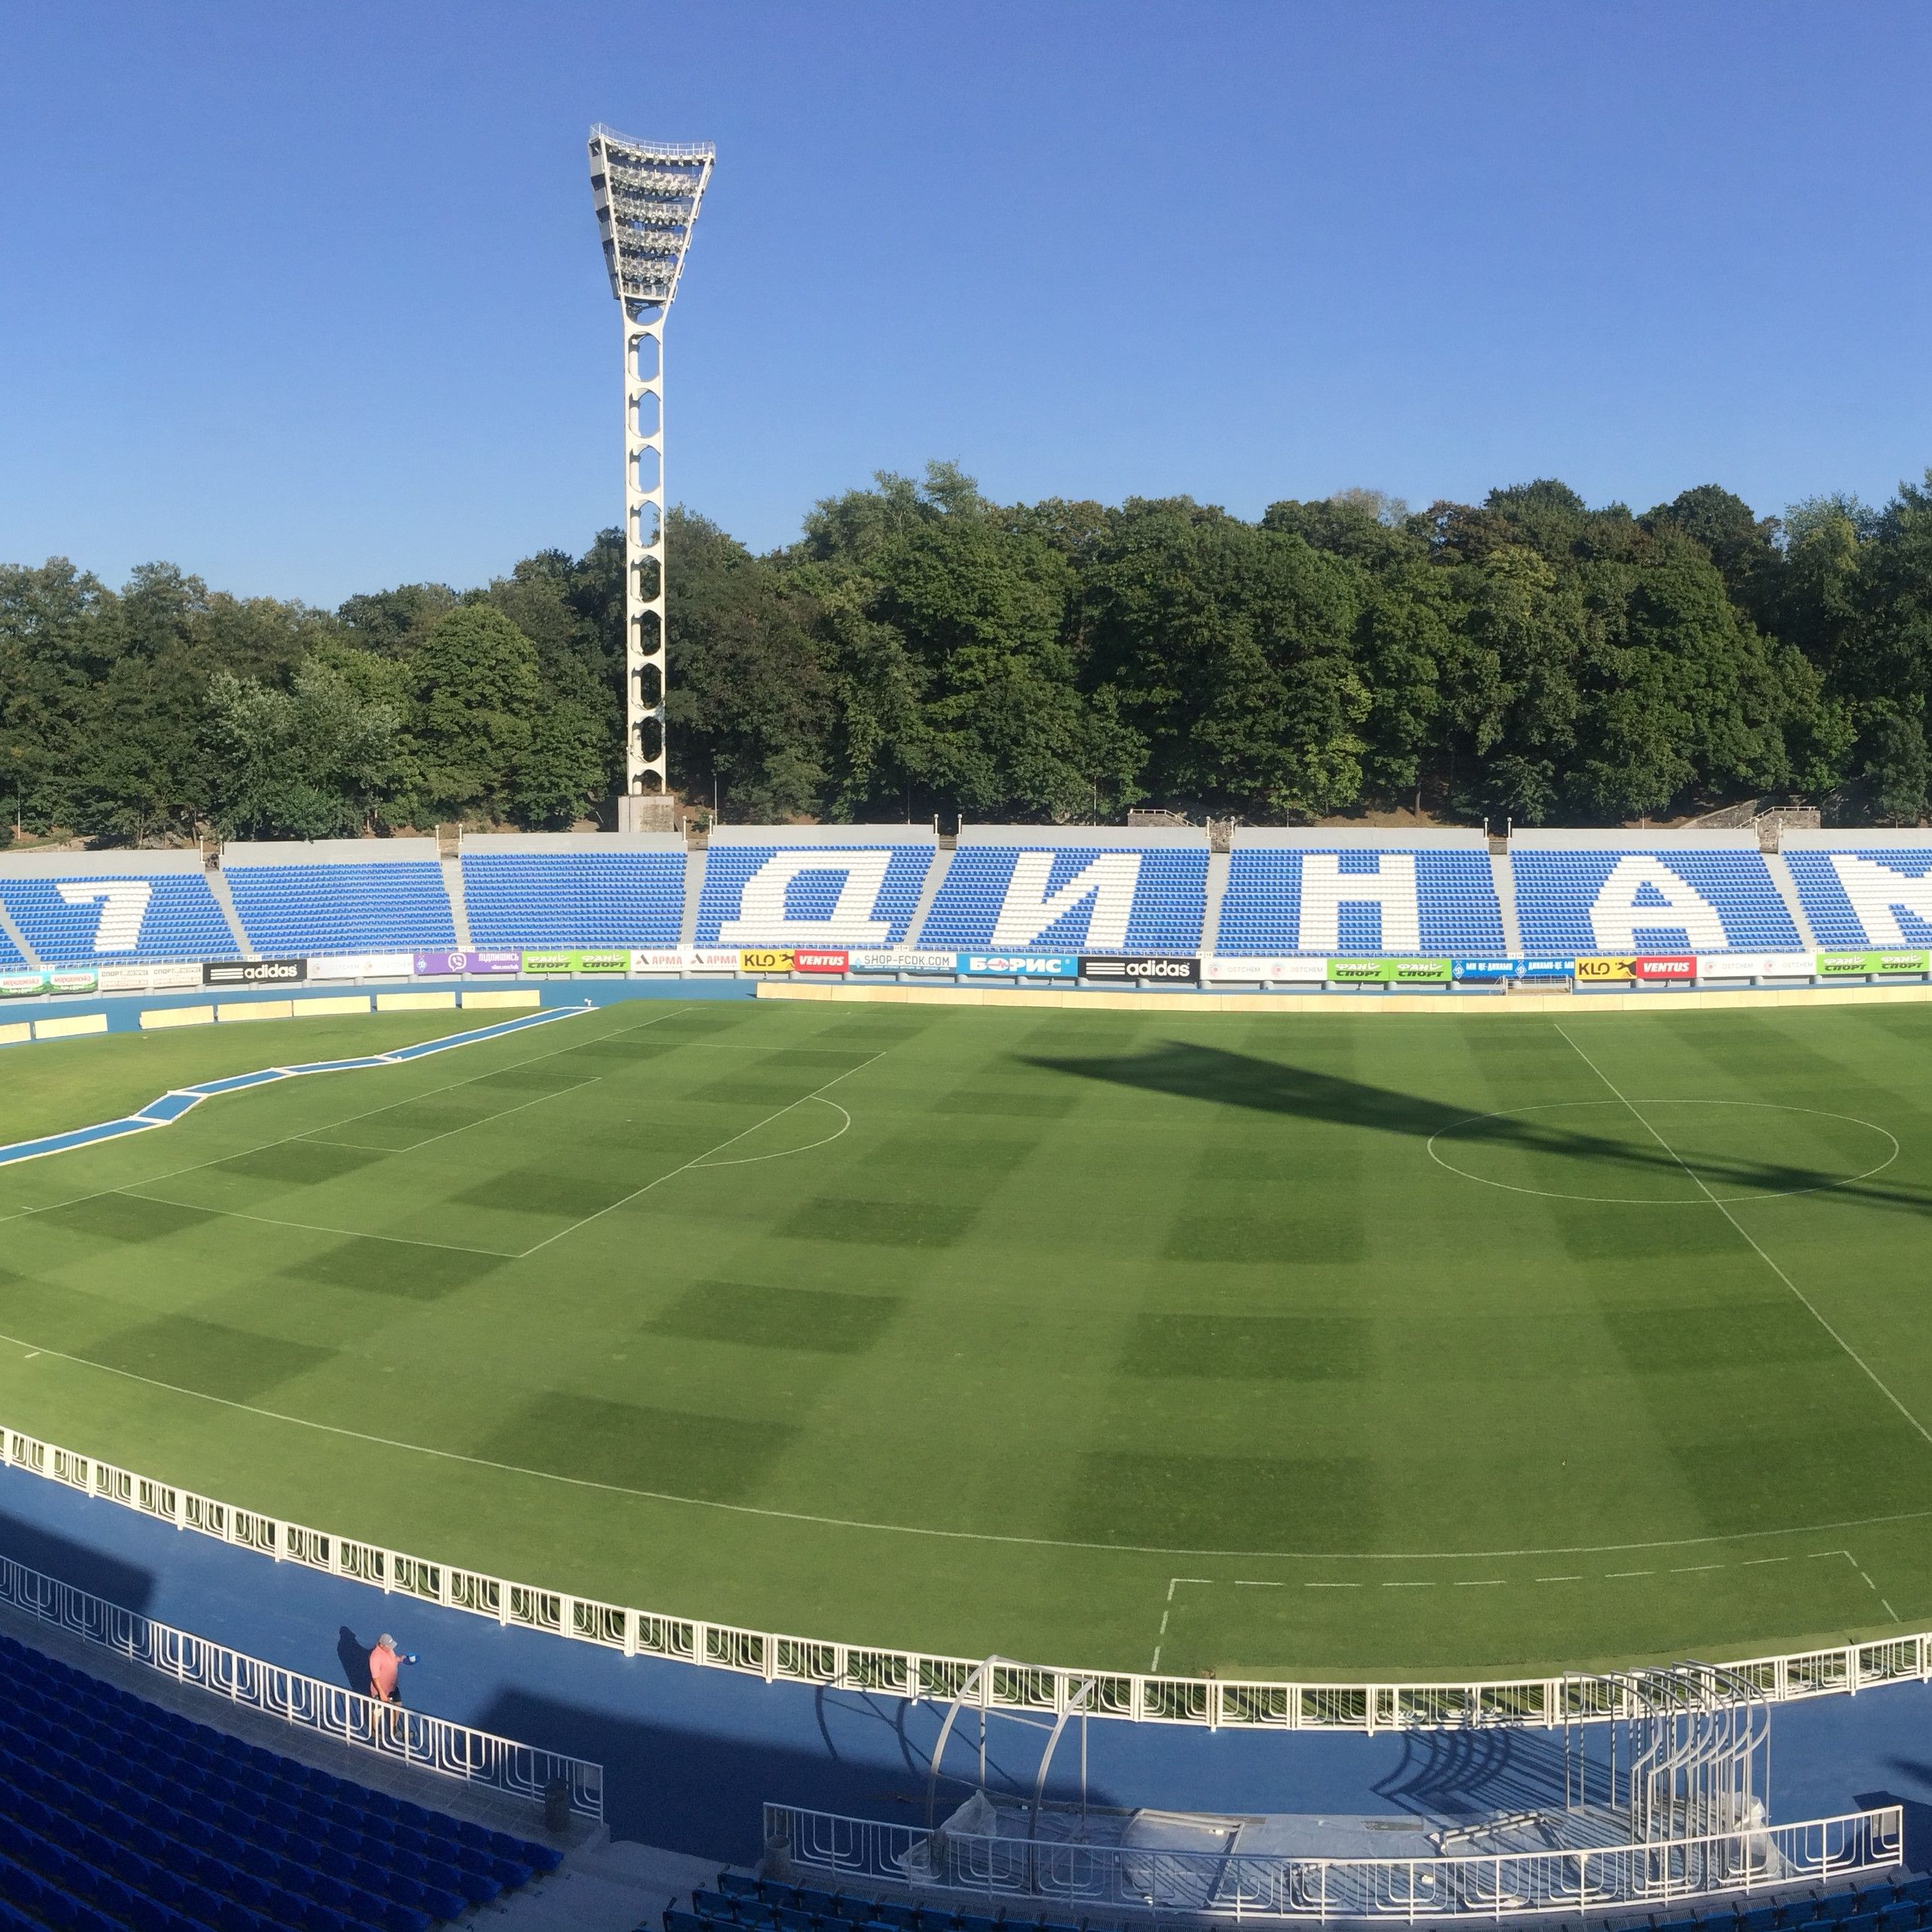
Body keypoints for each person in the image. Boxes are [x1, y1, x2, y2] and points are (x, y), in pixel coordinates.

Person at [368, 1633, 405, 1705]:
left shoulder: (389, 1650)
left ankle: (393, 1717)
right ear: (382, 1645)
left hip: (392, 1687)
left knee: (398, 1705)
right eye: (389, 1646)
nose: (391, 1648)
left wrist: (399, 1659)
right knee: (377, 1712)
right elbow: (375, 1678)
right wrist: (381, 1693)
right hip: (381, 1691)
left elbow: (392, 1659)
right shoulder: (376, 1657)